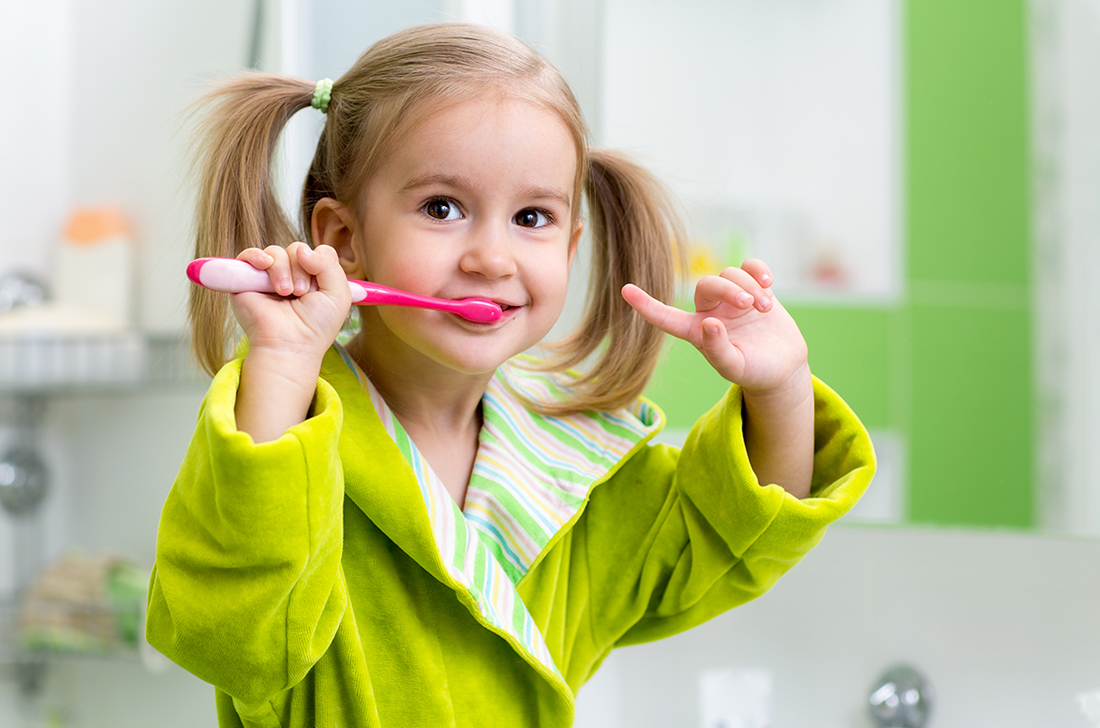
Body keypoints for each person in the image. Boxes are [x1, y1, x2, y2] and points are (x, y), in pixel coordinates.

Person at [147, 22, 874, 728]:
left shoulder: (573, 458)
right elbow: (228, 636)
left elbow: (726, 536)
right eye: (443, 208)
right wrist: (281, 361)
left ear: (571, 244)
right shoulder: (286, 427)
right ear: (344, 238)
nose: (493, 257)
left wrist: (779, 385)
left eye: (532, 218)